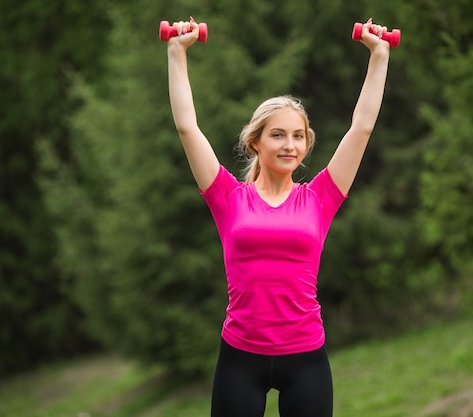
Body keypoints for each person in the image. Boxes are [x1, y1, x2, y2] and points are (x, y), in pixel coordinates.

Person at [166, 17, 390, 417]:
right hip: (239, 357)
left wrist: (379, 55)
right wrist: (176, 52)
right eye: (278, 134)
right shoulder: (228, 197)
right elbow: (187, 127)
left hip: (306, 358)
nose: (290, 144)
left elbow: (362, 127)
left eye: (298, 135)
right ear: (255, 141)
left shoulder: (321, 197)